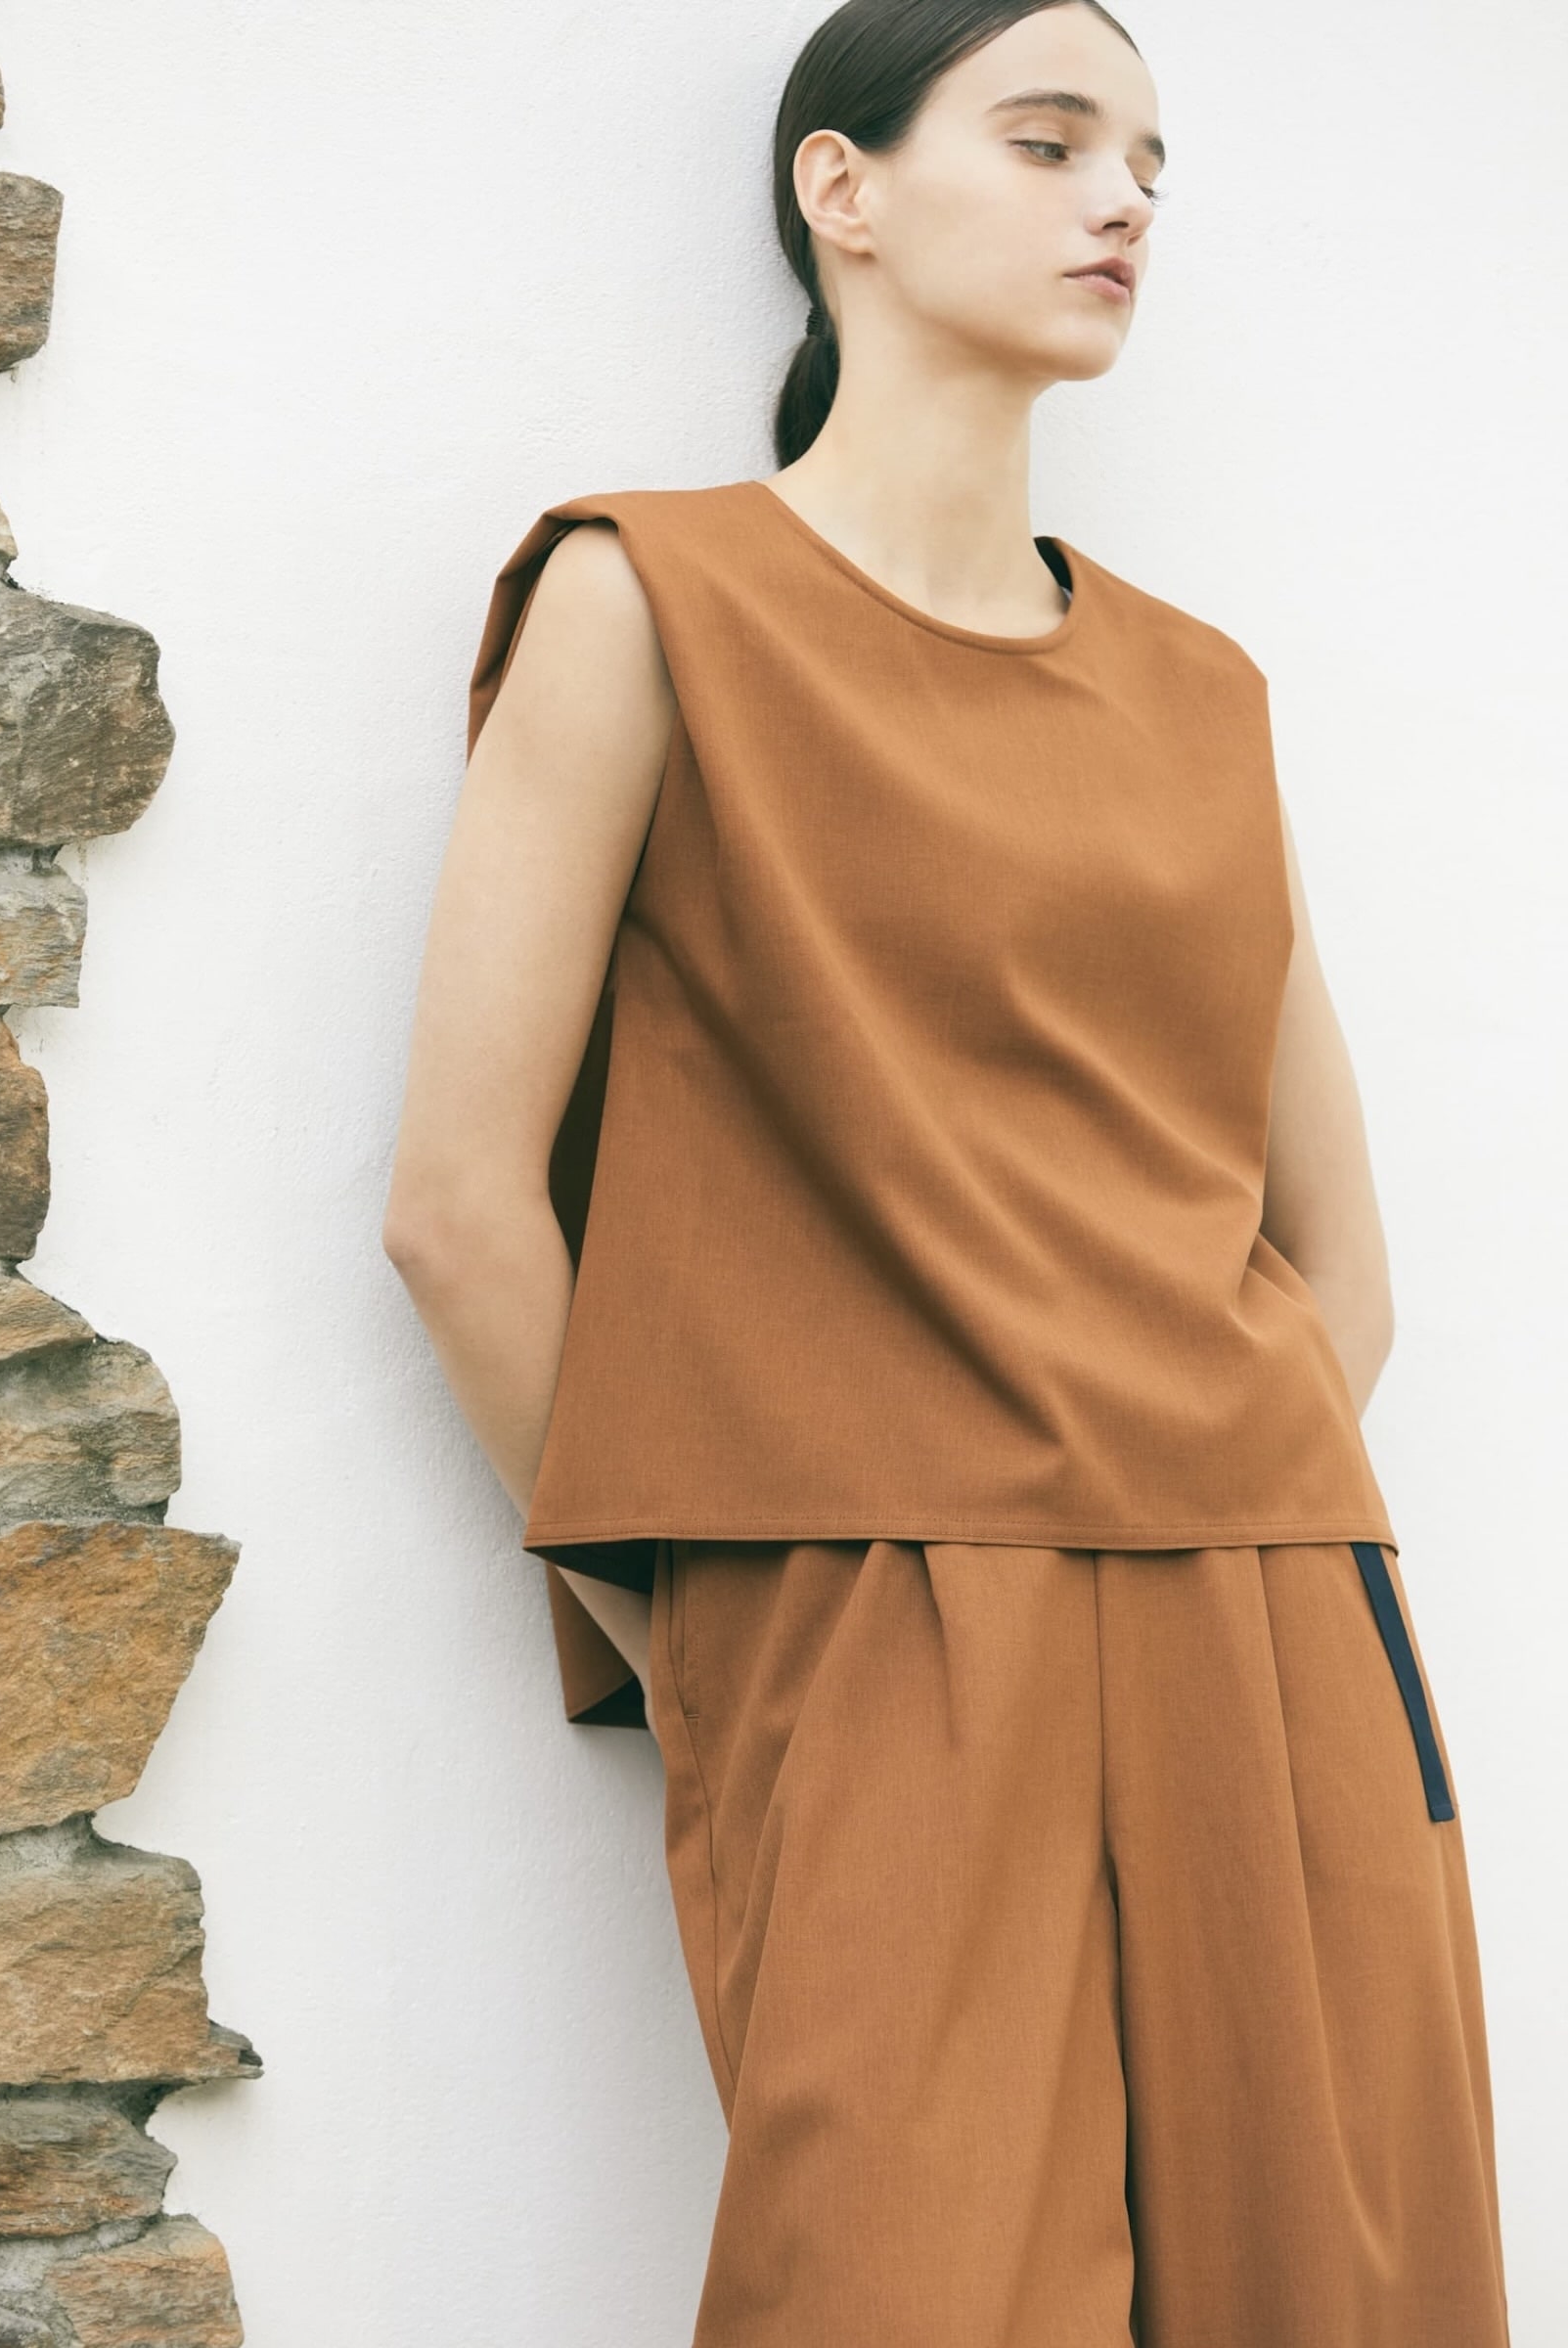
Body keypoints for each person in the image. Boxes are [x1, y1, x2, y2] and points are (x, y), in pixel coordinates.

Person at [382, 0, 1511, 2337]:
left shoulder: (1199, 691)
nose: (1123, 202)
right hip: (876, 1616)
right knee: (901, 2289)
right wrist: (711, 1639)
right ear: (844, 190)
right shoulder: (648, 593)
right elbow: (459, 1207)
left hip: (1275, 1607)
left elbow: (1338, 1255)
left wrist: (1225, 1522)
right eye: (1051, 138)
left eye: (1150, 164)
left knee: (1331, 2292)